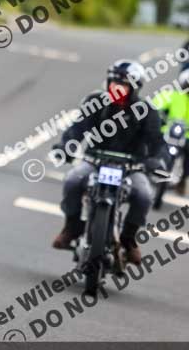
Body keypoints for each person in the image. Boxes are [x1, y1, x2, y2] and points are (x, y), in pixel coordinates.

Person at [51, 60, 167, 265]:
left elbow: (157, 142)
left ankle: (129, 239)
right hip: (95, 160)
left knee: (144, 195)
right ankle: (72, 227)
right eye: (114, 82)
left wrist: (156, 161)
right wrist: (65, 147)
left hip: (131, 168)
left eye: (123, 84)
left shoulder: (147, 111)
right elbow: (77, 129)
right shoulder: (94, 102)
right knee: (72, 181)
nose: (117, 88)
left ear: (135, 87)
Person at [152, 69, 189, 194]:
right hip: (168, 132)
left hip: (187, 137)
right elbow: (156, 105)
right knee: (150, 142)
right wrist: (157, 114)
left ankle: (183, 179)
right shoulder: (172, 95)